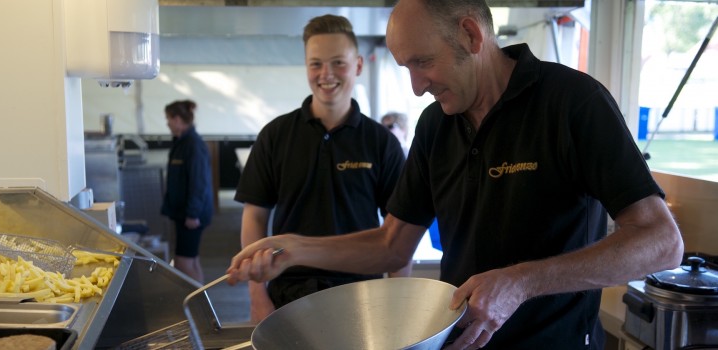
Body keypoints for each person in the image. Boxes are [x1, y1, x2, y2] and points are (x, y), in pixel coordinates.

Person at [227, 1, 684, 349]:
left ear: (470, 34)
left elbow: (662, 243)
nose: (416, 86)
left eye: (423, 62)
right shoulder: (435, 126)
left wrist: (520, 282)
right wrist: (295, 249)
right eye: (406, 68)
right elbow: (391, 246)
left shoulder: (571, 103)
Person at [234, 14, 411, 324]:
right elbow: (255, 216)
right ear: (306, 67)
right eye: (316, 64)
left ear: (357, 65)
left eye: (338, 63)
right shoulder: (276, 136)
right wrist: (257, 296)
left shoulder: (381, 143)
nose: (326, 74)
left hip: (362, 295)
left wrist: (397, 305)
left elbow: (401, 230)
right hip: (289, 295)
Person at [161, 99, 213, 284]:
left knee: (183, 262)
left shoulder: (192, 145)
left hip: (191, 216)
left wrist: (192, 214)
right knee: (192, 259)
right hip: (185, 213)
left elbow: (199, 183)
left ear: (177, 119)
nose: (167, 123)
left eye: (168, 118)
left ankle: (197, 304)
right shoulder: (182, 142)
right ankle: (200, 301)